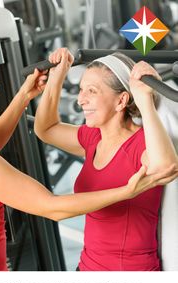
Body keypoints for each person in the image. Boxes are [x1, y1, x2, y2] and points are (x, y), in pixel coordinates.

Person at [0, 43, 176, 272]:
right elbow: (51, 206)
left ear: (122, 100)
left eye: (91, 91)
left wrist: (34, 89)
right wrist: (127, 191)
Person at [34, 48, 178, 271]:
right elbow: (46, 129)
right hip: (88, 268)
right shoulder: (93, 137)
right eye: (81, 90)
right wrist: (57, 75)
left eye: (91, 91)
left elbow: (166, 167)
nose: (81, 100)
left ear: (121, 100)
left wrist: (144, 99)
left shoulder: (141, 143)